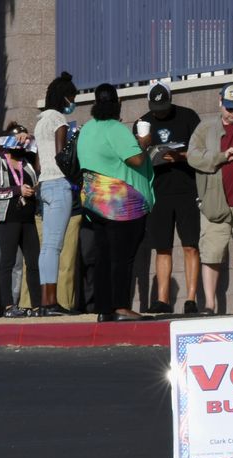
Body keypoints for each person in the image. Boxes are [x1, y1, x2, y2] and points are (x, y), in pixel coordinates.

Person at [77, 83, 155, 322]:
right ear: (118, 104)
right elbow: (136, 159)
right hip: (122, 203)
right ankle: (121, 306)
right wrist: (145, 140)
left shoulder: (87, 129)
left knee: (103, 255)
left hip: (94, 200)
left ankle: (104, 308)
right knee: (123, 256)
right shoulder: (116, 129)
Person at [188, 84, 233, 315]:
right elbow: (193, 156)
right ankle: (210, 304)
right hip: (214, 201)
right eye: (229, 108)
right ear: (220, 102)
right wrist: (222, 156)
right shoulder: (205, 127)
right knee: (211, 252)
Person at [135, 82, 202, 315]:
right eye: (155, 107)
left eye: (163, 107)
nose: (159, 112)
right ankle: (162, 299)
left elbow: (201, 151)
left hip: (186, 189)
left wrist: (181, 156)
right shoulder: (143, 123)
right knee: (162, 247)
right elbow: (135, 158)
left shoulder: (188, 117)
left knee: (190, 245)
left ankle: (191, 299)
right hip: (158, 191)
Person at [0, 123, 41, 318]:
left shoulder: (27, 160)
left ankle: (38, 305)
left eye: (22, 140)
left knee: (33, 261)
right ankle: (8, 306)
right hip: (8, 217)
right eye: (17, 139)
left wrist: (30, 137)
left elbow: (39, 153)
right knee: (8, 261)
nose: (20, 143)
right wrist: (17, 191)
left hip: (27, 217)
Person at [33, 72, 80, 315]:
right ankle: (51, 302)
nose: (74, 101)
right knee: (54, 246)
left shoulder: (41, 121)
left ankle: (45, 300)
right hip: (60, 184)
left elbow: (39, 164)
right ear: (64, 97)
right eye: (72, 96)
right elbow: (62, 155)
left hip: (44, 185)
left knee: (46, 247)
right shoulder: (60, 121)